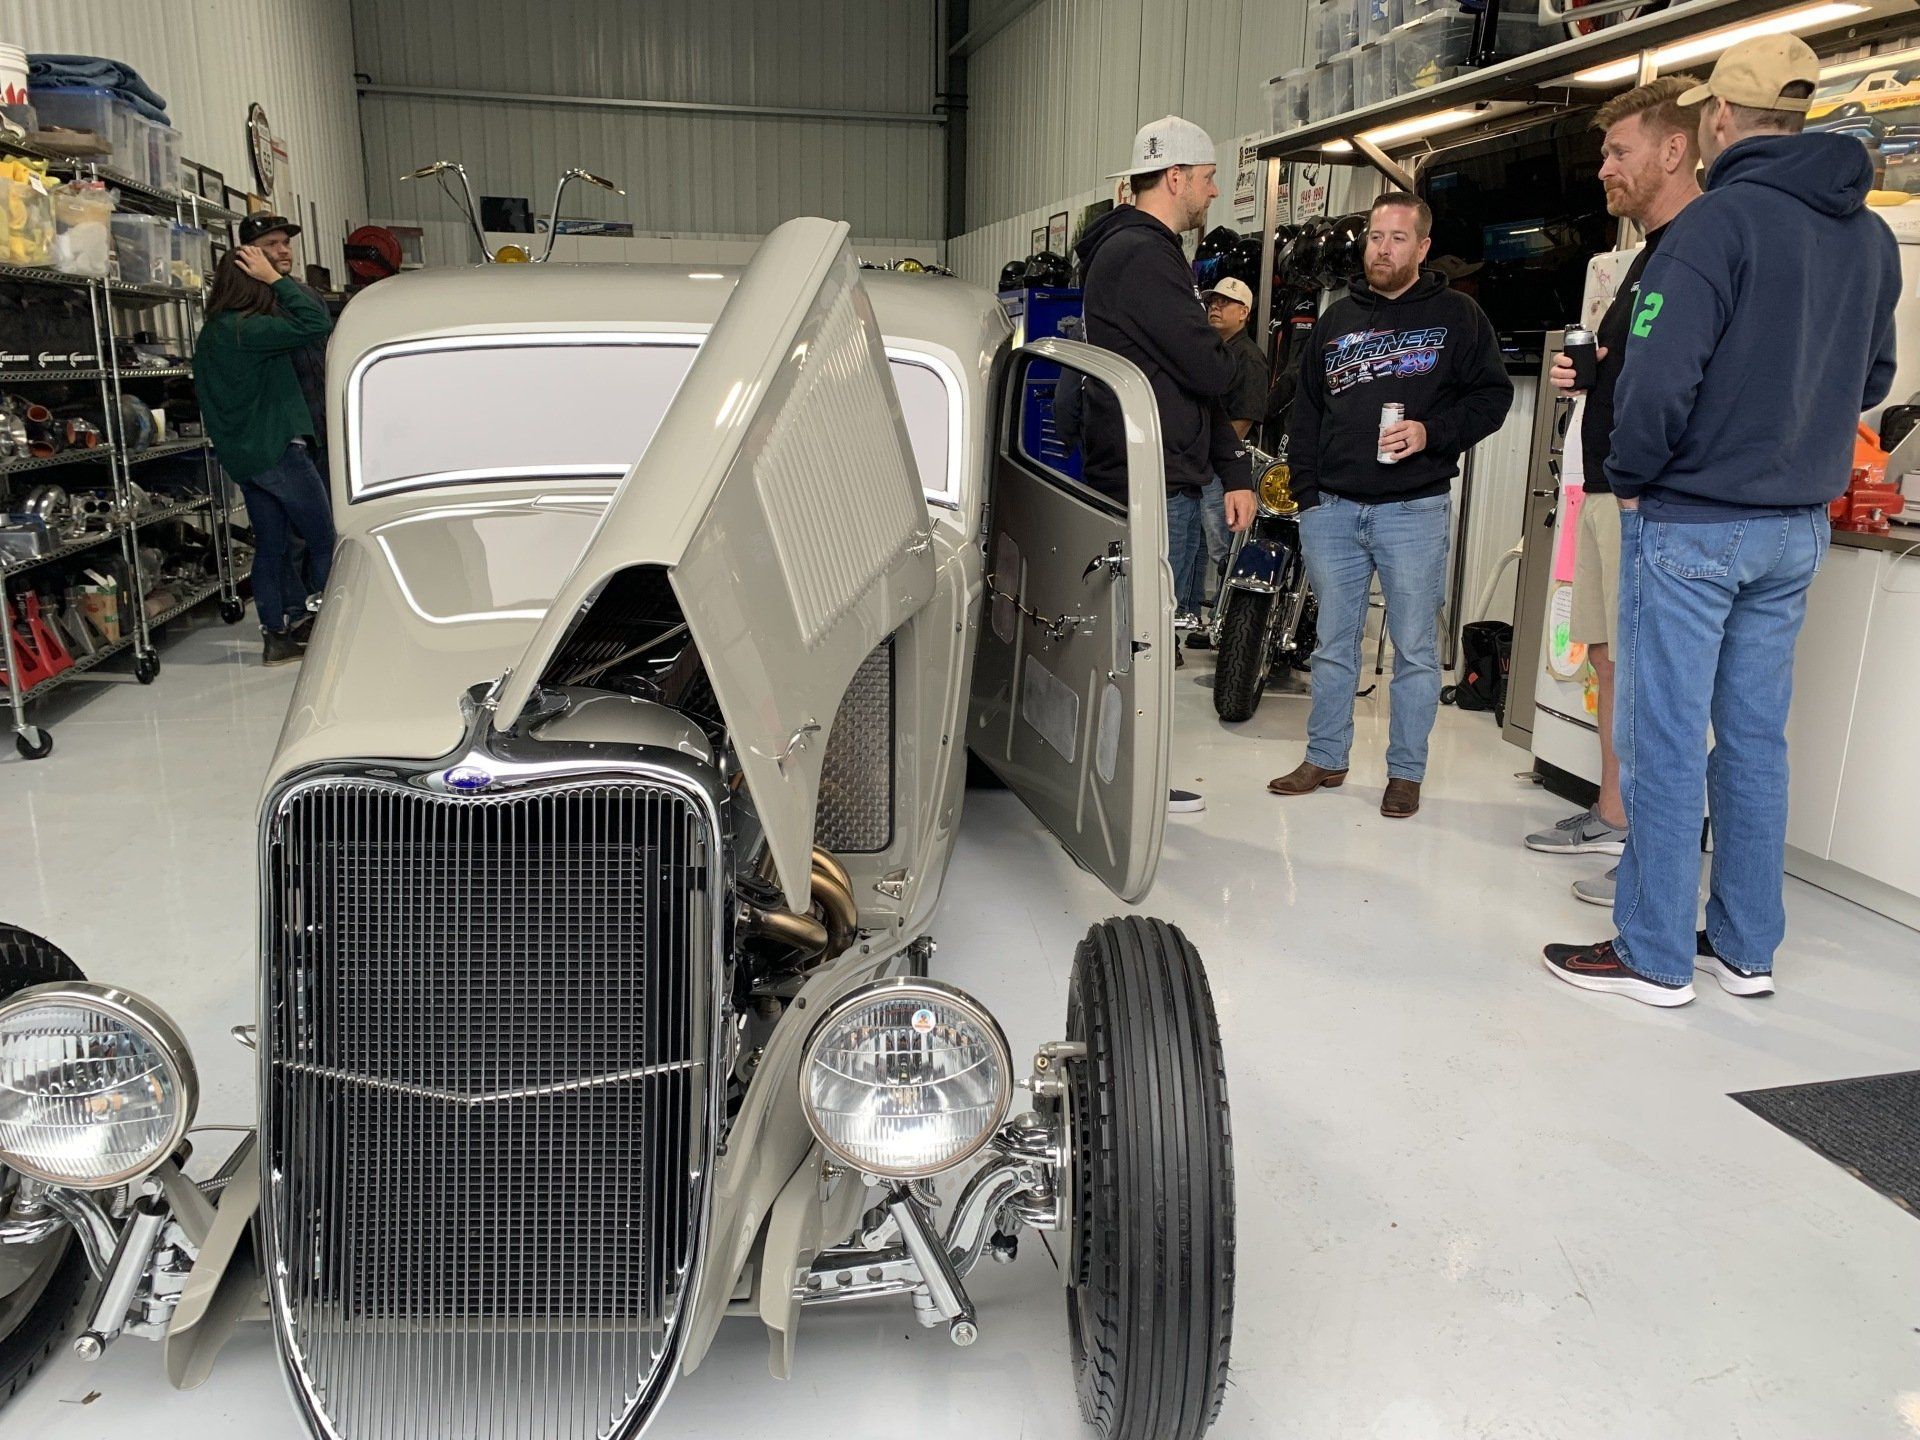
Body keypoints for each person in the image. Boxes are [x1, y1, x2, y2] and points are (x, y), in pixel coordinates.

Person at [1544, 36, 1900, 1007]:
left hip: (1695, 521)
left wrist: (1633, 479)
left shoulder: (1714, 228)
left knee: (1664, 737)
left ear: (1717, 122)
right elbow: (1874, 380)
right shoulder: (1867, 237)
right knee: (1753, 740)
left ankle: (1654, 953)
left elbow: (1655, 386)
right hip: (1796, 530)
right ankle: (1745, 950)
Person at [1268, 192, 1513, 819]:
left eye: (1397, 238)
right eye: (1376, 236)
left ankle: (1406, 772)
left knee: (1414, 650)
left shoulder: (1460, 317)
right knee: (1332, 645)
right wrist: (1309, 496)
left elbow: (1492, 398)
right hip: (1334, 512)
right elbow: (1307, 408)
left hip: (1414, 511)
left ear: (1423, 247)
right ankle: (1325, 756)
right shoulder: (1336, 319)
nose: (1382, 248)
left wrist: (1433, 433)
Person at [1526, 76, 1703, 906]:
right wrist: (1593, 368)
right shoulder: (1644, 259)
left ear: (1675, 150)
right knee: (1604, 657)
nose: (1604, 168)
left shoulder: (1699, 245)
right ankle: (1610, 807)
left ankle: (1648, 849)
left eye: (1618, 151)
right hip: (1604, 491)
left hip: (1647, 499)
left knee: (1643, 672)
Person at [1075, 114, 1258, 814]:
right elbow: (1208, 368)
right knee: (1141, 642)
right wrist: (1215, 352)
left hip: (1161, 476)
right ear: (1176, 176)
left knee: (1144, 637)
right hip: (1148, 484)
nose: (1214, 193)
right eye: (1209, 178)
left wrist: (1234, 469)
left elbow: (1192, 382)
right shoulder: (1143, 255)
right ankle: (1129, 791)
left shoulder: (1139, 251)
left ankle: (1126, 782)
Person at [193, 245, 337, 666]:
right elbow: (316, 322)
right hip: (280, 453)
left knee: (271, 546)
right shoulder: (249, 329)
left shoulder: (214, 332)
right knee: (325, 539)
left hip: (247, 460)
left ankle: (277, 638)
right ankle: (328, 629)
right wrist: (277, 279)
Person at [1184, 275, 1266, 632]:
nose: (1215, 307)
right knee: (1200, 548)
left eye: (1225, 303)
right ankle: (1201, 620)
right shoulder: (1211, 354)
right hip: (1206, 467)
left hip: (1223, 470)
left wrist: (1212, 453)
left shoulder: (1247, 357)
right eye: (1212, 301)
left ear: (1244, 312)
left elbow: (1244, 420)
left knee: (1223, 550)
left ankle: (1227, 626)